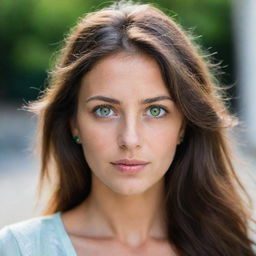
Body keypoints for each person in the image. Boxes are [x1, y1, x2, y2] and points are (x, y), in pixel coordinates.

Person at [0, 1, 255, 255]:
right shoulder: (19, 248)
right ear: (74, 123)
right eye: (105, 110)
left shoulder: (233, 249)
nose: (130, 139)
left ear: (183, 126)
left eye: (155, 111)